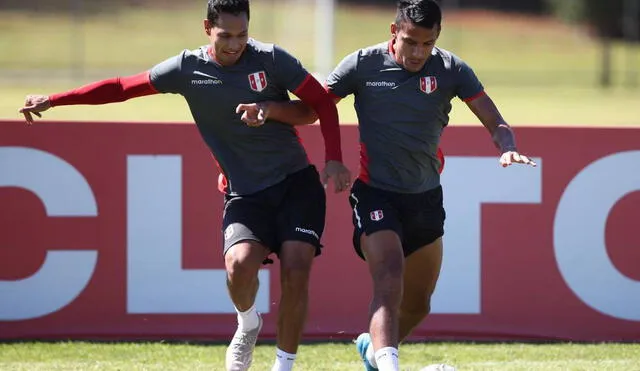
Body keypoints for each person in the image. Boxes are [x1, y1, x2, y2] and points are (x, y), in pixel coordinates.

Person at [18, 1, 352, 370]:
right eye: (225, 35)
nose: (234, 44)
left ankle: (283, 365)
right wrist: (54, 99)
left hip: (296, 182)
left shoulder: (272, 59)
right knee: (239, 267)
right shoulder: (186, 68)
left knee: (297, 266)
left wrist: (334, 158)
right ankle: (248, 323)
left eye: (242, 35)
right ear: (207, 28)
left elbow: (321, 101)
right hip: (244, 192)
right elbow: (121, 88)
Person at [238, 1, 536, 370]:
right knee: (389, 277)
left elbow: (494, 120)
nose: (418, 52)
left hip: (425, 199)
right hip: (375, 193)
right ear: (393, 32)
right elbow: (313, 109)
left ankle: (372, 350)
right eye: (410, 42)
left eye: (427, 44)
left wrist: (508, 148)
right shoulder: (362, 65)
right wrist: (269, 109)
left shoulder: (451, 69)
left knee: (418, 303)